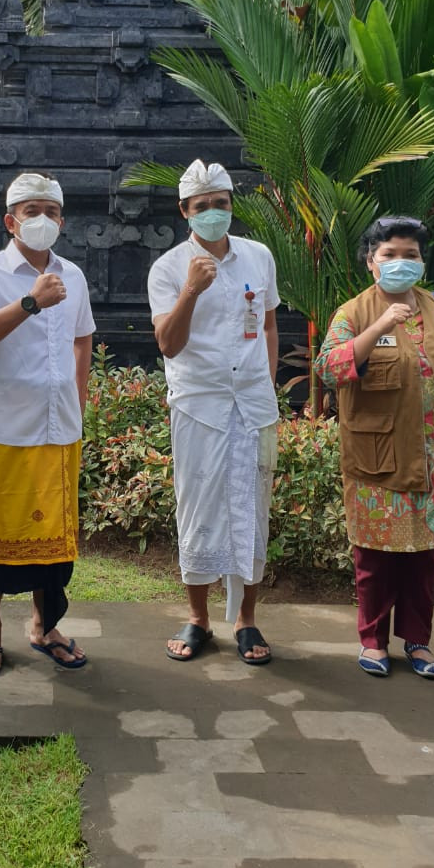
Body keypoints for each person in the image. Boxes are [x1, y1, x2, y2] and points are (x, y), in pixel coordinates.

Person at [316, 215, 434, 679]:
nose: (401, 262)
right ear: (371, 263)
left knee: (425, 559)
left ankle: (418, 642)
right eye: (390, 255)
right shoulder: (353, 312)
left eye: (411, 255)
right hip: (377, 460)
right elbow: (329, 369)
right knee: (375, 559)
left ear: (422, 262)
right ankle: (373, 642)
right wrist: (379, 324)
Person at [0, 172, 95, 676]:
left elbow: (83, 338)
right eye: (31, 211)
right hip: (7, 428)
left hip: (60, 427)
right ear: (10, 220)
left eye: (51, 212)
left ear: (63, 220)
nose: (42, 220)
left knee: (56, 540)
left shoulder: (74, 276)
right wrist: (31, 301)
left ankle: (44, 624)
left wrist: (78, 398)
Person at [147, 159, 280, 664]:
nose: (212, 213)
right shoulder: (167, 268)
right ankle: (199, 618)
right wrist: (190, 291)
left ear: (232, 206)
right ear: (185, 212)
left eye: (220, 204)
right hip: (199, 404)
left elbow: (267, 325)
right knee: (198, 506)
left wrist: (263, 383)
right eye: (201, 207)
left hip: (252, 403)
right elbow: (168, 344)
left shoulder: (258, 257)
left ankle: (247, 619)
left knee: (252, 506)